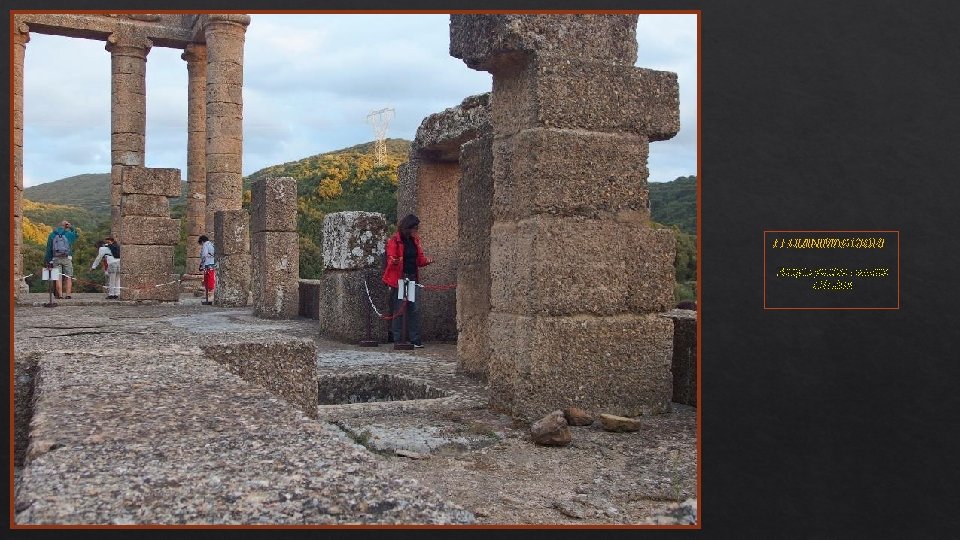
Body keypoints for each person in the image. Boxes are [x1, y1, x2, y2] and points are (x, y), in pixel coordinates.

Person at [382, 214, 433, 347]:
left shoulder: (415, 241)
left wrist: (427, 261)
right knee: (399, 308)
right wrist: (394, 260)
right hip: (400, 278)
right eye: (414, 228)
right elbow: (391, 257)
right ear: (407, 227)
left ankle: (415, 339)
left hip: (412, 277)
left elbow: (419, 260)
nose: (416, 231)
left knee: (414, 308)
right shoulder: (395, 240)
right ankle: (398, 338)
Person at [45, 220, 79, 299]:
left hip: (56, 258)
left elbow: (49, 249)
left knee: (58, 277)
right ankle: (68, 295)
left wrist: (48, 260)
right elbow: (77, 235)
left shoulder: (52, 235)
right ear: (66, 226)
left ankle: (60, 295)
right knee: (68, 276)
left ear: (58, 226)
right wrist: (71, 227)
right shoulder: (69, 234)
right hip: (67, 258)